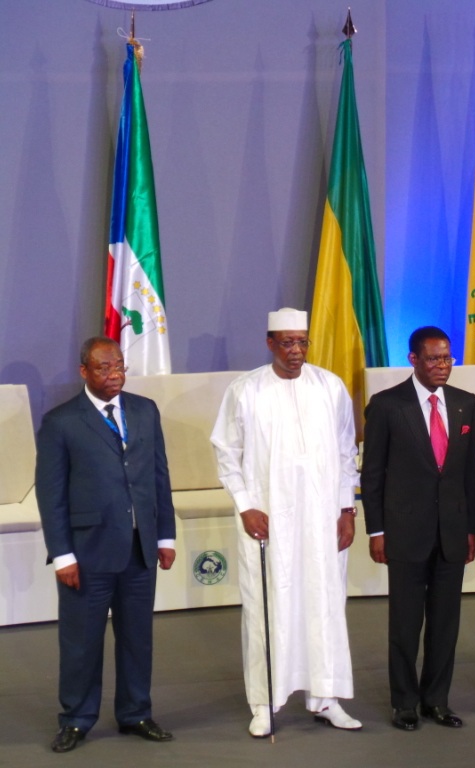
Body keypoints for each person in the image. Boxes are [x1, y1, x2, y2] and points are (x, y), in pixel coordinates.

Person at [210, 308, 362, 737]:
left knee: (324, 604)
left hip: (322, 520)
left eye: (302, 342)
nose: (296, 350)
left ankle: (326, 697)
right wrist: (245, 506)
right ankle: (264, 702)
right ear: (270, 343)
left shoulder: (329, 387)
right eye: (287, 342)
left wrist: (346, 509)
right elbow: (226, 452)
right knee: (266, 607)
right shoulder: (246, 390)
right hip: (268, 520)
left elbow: (346, 451)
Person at [36, 337, 176, 753]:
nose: (114, 374)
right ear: (84, 371)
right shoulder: (61, 421)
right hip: (87, 552)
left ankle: (136, 713)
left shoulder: (145, 410)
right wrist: (63, 555)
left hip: (139, 549)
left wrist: (164, 535)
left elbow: (159, 476)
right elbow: (51, 494)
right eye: (104, 368)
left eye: (119, 366)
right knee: (81, 642)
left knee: (137, 638)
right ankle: (76, 719)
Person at [361, 326, 475, 731]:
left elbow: (468, 472)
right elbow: (373, 474)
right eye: (433, 359)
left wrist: (471, 528)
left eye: (447, 358)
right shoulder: (387, 405)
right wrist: (376, 531)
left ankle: (437, 701)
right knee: (405, 625)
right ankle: (404, 703)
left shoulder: (466, 404)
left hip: (452, 534)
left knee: (445, 624)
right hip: (404, 534)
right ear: (413, 359)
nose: (442, 366)